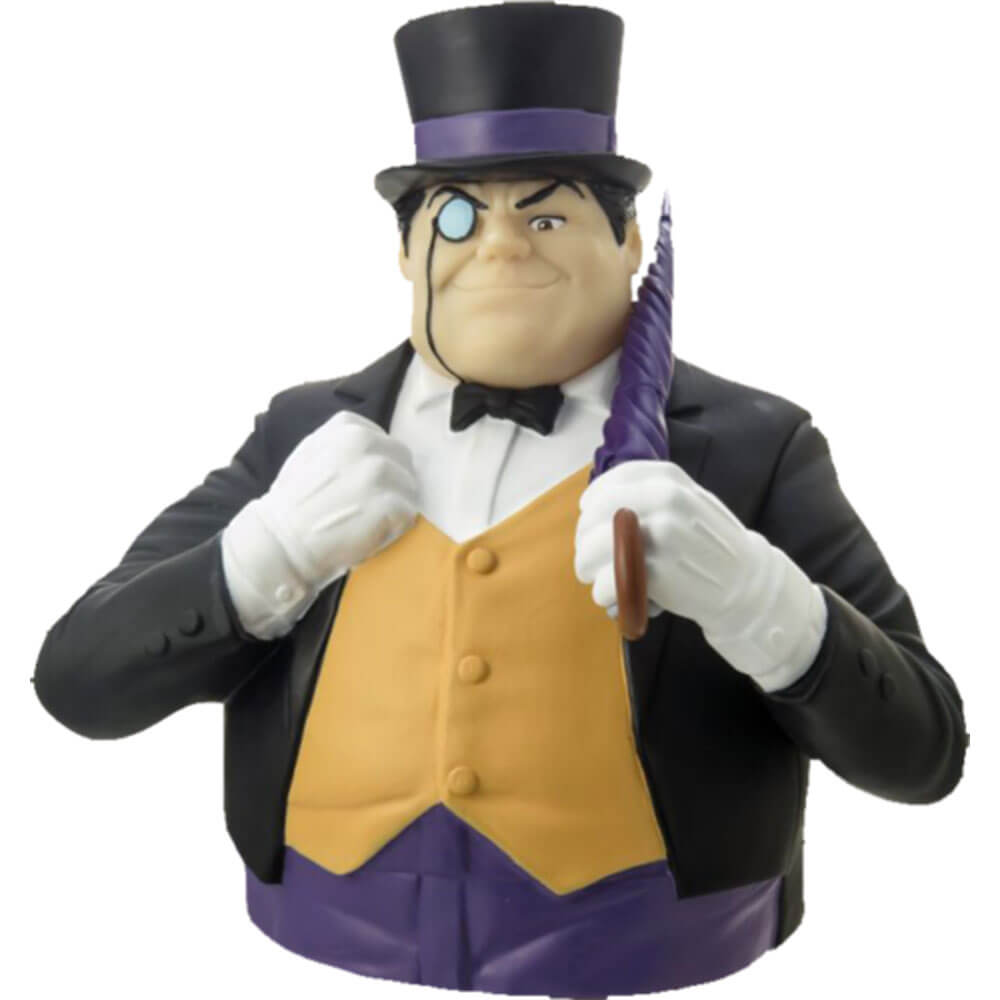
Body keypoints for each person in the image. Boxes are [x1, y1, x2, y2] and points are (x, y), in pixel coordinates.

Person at [33, 4, 968, 997]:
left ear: (628, 244)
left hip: (655, 949)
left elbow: (923, 750)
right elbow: (79, 681)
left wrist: (758, 601)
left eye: (546, 213)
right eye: (457, 216)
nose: (502, 245)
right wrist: (261, 557)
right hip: (310, 952)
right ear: (406, 253)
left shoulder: (756, 449)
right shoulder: (300, 432)